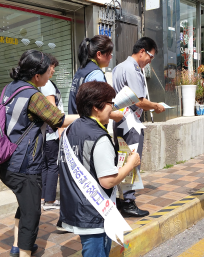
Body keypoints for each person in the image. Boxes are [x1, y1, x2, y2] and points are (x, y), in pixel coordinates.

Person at [0, 50, 78, 257]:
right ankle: (23, 252)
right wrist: (90, 116)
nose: (51, 75)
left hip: (3, 159)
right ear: (37, 76)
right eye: (48, 72)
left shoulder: (10, 88)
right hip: (23, 165)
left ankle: (17, 245)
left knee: (25, 203)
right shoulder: (33, 95)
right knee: (32, 214)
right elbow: (59, 119)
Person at [58, 81, 140, 257]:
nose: (113, 107)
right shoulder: (99, 138)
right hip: (94, 213)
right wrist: (130, 164)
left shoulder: (69, 130)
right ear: (96, 107)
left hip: (75, 208)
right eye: (110, 103)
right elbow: (108, 181)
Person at [112, 37, 166, 217]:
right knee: (132, 161)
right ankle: (128, 201)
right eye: (150, 56)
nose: (150, 61)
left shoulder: (119, 67)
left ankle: (122, 198)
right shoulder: (133, 69)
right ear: (142, 51)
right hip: (130, 123)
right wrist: (156, 106)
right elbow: (140, 101)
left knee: (122, 159)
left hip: (120, 121)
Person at [68, 35, 122, 122]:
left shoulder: (82, 69)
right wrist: (114, 115)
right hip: (90, 126)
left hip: (76, 123)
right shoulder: (96, 74)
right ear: (99, 54)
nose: (110, 58)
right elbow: (97, 107)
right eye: (109, 54)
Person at [40, 55, 63, 211]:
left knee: (45, 166)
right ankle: (49, 201)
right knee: (53, 166)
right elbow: (53, 110)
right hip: (51, 132)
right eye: (51, 67)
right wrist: (60, 128)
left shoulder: (42, 83)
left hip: (44, 133)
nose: (53, 70)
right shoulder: (47, 85)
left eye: (54, 67)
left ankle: (43, 197)